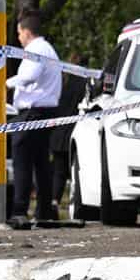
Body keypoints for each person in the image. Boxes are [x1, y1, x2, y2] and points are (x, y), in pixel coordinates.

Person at [6, 9, 62, 223]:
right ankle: (44, 211)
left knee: (22, 162)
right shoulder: (47, 49)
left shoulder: (36, 49)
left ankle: (19, 211)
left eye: (19, 33)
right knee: (41, 163)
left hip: (33, 112)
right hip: (43, 112)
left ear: (26, 32)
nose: (18, 38)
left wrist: (5, 83)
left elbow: (29, 76)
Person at [50, 53, 88, 218]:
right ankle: (77, 204)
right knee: (76, 172)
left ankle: (54, 203)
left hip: (58, 134)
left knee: (59, 172)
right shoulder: (86, 85)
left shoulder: (62, 82)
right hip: (76, 133)